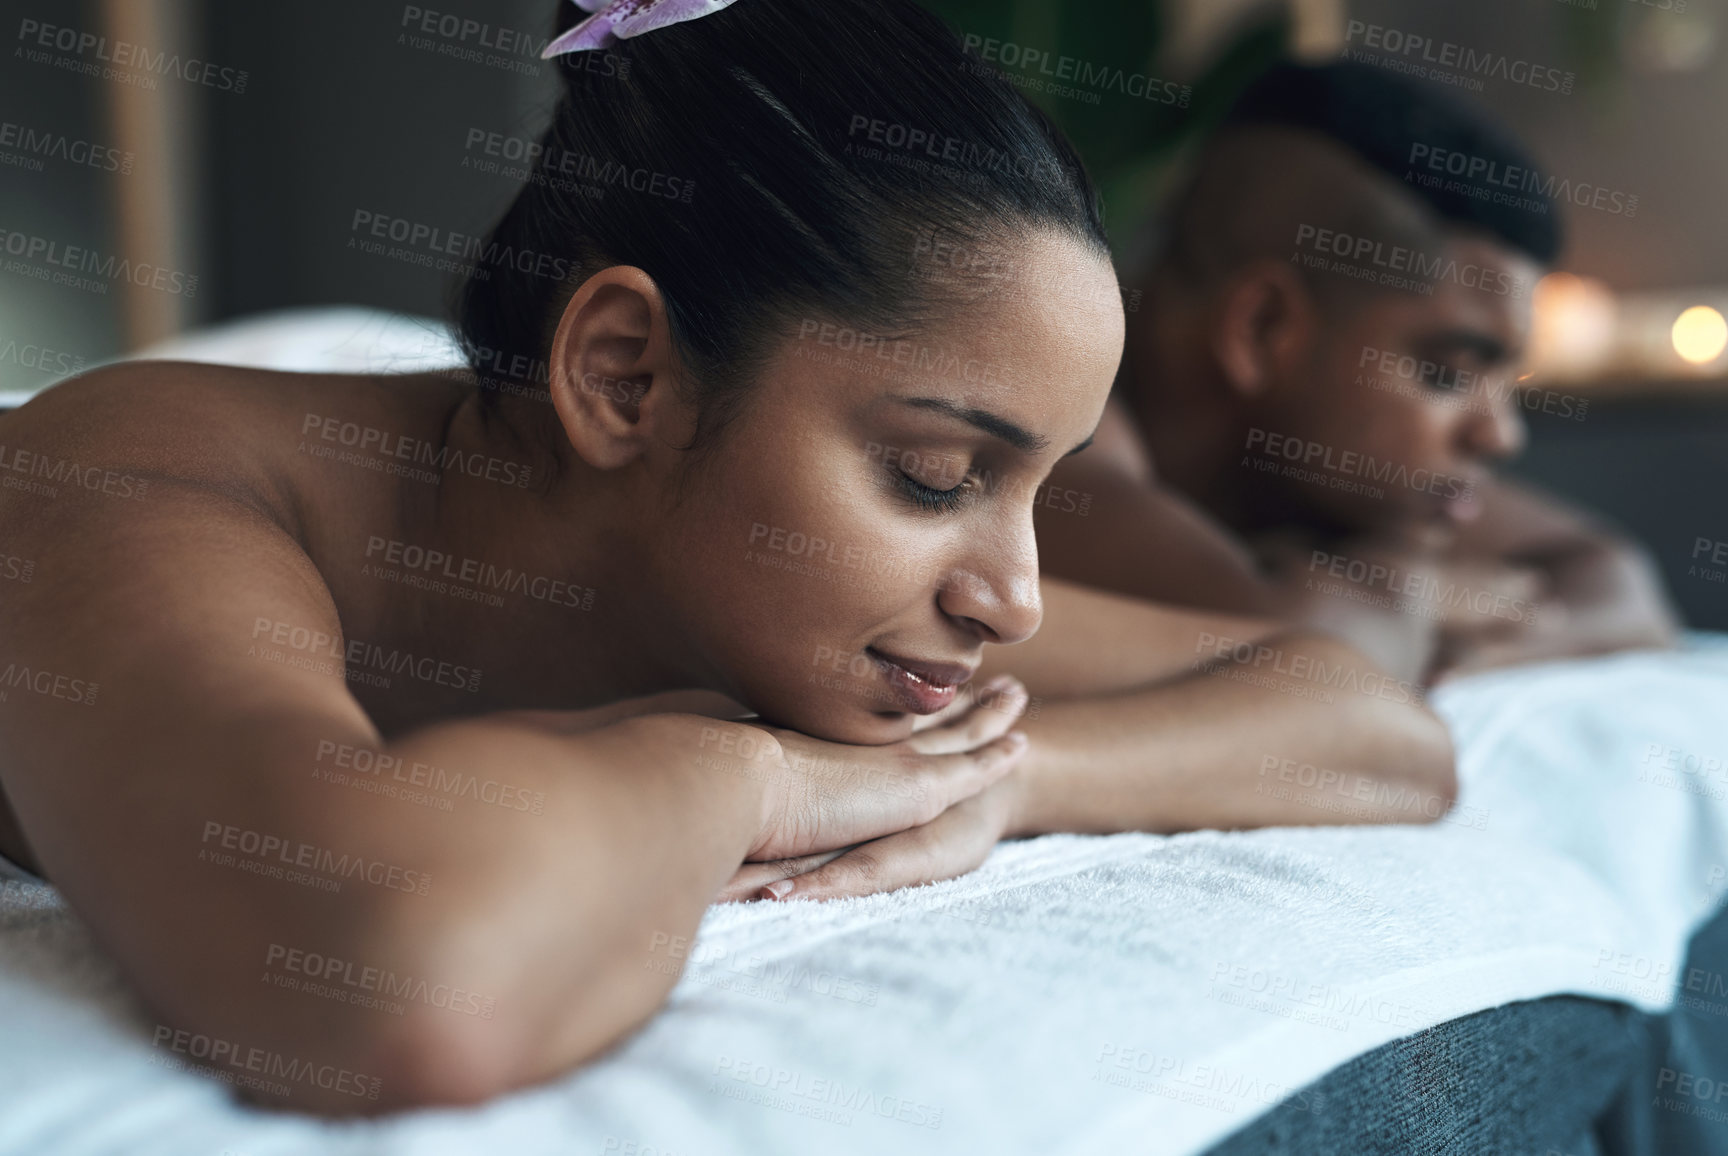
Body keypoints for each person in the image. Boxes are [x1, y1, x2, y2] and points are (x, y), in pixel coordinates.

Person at [0, 2, 1450, 1115]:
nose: (1008, 598)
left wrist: (993, 782)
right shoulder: (141, 481)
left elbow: (1375, 729)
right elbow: (386, 978)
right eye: (935, 476)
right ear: (627, 376)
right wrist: (756, 776)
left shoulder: (735, 581)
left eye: (1033, 491)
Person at [1034, 61, 1680, 683]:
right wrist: (1416, 586)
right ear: (1261, 331)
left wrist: (1427, 610)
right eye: (1448, 375)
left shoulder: (1335, 479)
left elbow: (1618, 580)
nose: (1501, 437)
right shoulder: (1058, 425)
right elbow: (1299, 647)